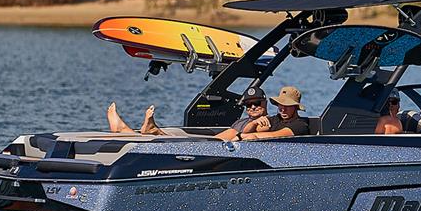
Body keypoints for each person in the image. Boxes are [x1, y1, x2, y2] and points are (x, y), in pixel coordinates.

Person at [105, 87, 269, 138]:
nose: (252, 107)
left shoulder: (264, 122)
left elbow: (255, 134)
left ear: (265, 103)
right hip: (215, 141)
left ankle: (144, 130)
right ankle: (125, 130)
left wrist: (254, 124)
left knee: (173, 141)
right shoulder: (243, 121)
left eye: (256, 103)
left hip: (219, 148)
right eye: (248, 104)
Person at [235, 86, 310, 140]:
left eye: (287, 106)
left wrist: (242, 136)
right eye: (281, 105)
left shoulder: (300, 125)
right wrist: (254, 123)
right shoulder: (275, 120)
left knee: (251, 137)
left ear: (295, 107)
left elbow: (274, 135)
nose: (283, 109)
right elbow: (246, 132)